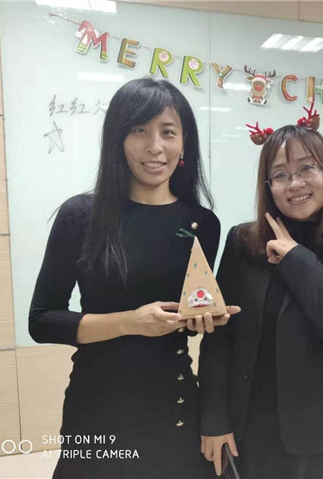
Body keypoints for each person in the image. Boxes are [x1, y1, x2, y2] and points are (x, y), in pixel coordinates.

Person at [29, 77, 238, 478]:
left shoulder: (202, 224)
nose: (155, 146)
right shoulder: (80, 217)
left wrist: (203, 320)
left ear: (184, 143)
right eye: (139, 130)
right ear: (118, 139)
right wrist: (131, 322)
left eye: (168, 132)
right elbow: (42, 321)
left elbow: (188, 318)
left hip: (176, 404)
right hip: (98, 406)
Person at [198, 106, 323, 479]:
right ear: (268, 186)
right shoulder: (243, 241)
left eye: (306, 169)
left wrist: (297, 259)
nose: (295, 184)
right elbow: (219, 336)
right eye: (280, 175)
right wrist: (214, 417)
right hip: (249, 430)